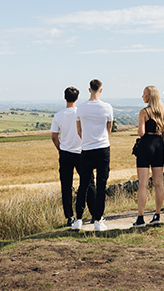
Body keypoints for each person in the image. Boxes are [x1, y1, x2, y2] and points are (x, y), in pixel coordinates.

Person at [50, 87, 97, 227]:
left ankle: (70, 216)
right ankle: (94, 214)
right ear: (77, 98)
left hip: (65, 153)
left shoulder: (58, 115)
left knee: (66, 185)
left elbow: (54, 137)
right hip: (82, 152)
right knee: (89, 183)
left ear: (65, 98)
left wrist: (61, 149)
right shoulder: (82, 113)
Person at [72, 79, 113, 231]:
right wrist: (101, 138)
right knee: (101, 185)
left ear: (89, 89)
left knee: (84, 184)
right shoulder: (107, 107)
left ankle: (78, 220)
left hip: (86, 149)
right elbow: (109, 128)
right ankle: (97, 220)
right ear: (100, 90)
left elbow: (79, 130)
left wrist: (88, 139)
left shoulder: (81, 108)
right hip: (102, 148)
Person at [133, 86, 164, 227]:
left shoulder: (144, 112)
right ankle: (157, 215)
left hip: (146, 146)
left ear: (150, 96)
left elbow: (141, 132)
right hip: (159, 146)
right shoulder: (163, 112)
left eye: (144, 94)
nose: (142, 96)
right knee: (159, 183)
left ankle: (140, 217)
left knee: (143, 184)